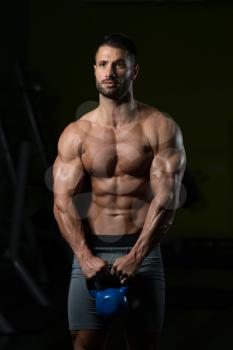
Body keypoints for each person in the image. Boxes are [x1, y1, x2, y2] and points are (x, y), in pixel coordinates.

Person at [53, 33, 186, 350]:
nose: (109, 72)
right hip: (91, 253)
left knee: (142, 344)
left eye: (119, 65)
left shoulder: (159, 127)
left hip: (142, 251)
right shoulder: (76, 134)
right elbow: (62, 202)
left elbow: (166, 198)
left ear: (134, 71)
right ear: (94, 70)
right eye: (103, 64)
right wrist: (84, 258)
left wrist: (137, 255)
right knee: (84, 344)